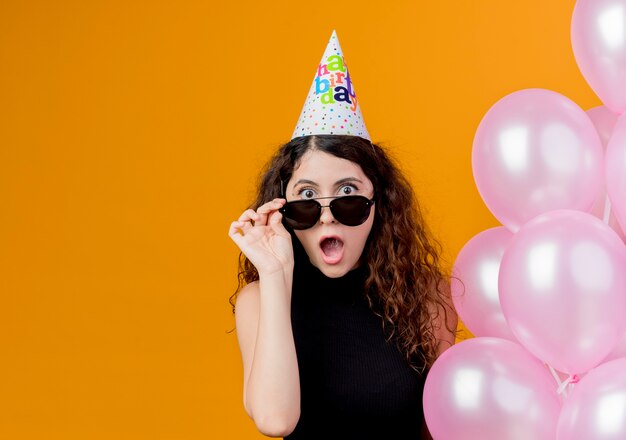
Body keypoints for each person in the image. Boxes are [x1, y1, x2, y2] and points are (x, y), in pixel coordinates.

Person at [228, 31, 457, 439]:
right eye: (307, 197)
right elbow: (275, 421)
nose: (328, 217)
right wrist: (276, 272)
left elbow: (441, 427)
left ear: (378, 201)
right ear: (282, 207)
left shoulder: (427, 296)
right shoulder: (258, 301)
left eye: (348, 193)